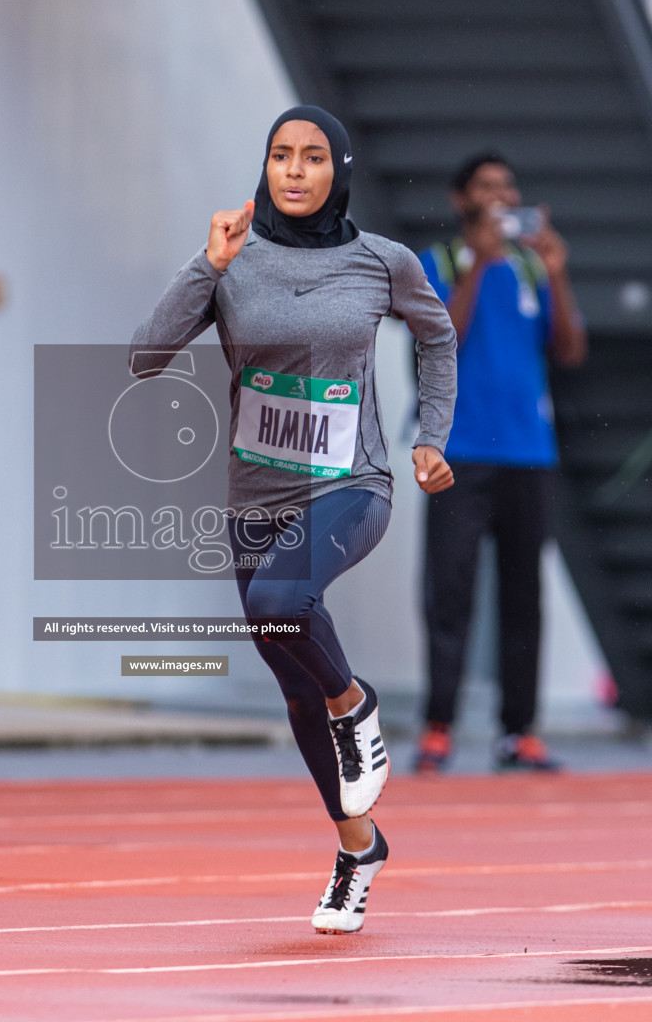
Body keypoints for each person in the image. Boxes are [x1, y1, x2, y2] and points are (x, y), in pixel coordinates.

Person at [131, 106, 457, 933]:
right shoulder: (230, 261)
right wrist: (207, 265)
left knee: (283, 607)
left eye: (314, 157)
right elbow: (144, 357)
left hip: (352, 484)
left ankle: (358, 706)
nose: (296, 171)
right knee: (291, 679)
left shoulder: (383, 262)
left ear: (338, 168)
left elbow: (437, 336)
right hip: (255, 497)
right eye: (281, 156)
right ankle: (358, 847)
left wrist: (431, 438)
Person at [414, 151, 587, 775]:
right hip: (456, 452)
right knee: (449, 591)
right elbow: (440, 342)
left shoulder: (531, 271)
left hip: (528, 454)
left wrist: (559, 273)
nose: (499, 198)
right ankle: (438, 728)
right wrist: (477, 267)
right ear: (462, 200)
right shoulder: (438, 263)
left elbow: (569, 350)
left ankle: (520, 734)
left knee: (523, 597)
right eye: (487, 188)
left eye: (507, 188)